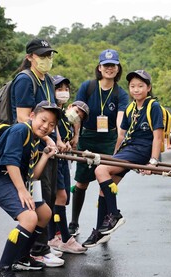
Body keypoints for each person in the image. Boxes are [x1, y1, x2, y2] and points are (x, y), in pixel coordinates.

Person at [0, 101, 62, 277]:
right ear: (32, 116)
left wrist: (45, 156)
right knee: (29, 217)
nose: (46, 127)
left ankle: (21, 258)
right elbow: (10, 162)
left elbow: (33, 174)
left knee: (44, 214)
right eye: (44, 120)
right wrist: (21, 190)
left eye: (52, 125)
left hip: (15, 179)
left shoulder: (34, 139)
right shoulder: (20, 130)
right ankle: (1, 271)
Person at [83, 69, 163, 248]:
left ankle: (114, 214)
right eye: (133, 86)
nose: (136, 89)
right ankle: (100, 230)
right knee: (105, 186)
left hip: (142, 150)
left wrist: (153, 161)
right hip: (128, 149)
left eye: (140, 86)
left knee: (100, 170)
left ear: (148, 88)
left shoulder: (153, 107)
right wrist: (114, 156)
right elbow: (121, 134)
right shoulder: (131, 108)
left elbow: (158, 136)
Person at [10, 37, 64, 267]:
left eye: (49, 55)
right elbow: (23, 118)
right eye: (42, 55)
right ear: (30, 57)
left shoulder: (48, 81)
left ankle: (38, 247)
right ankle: (37, 250)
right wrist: (47, 138)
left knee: (49, 196)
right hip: (32, 147)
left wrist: (59, 140)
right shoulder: (25, 80)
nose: (47, 60)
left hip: (46, 145)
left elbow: (53, 117)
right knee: (40, 197)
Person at [69, 49, 129, 238]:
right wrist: (75, 136)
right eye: (106, 65)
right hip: (88, 137)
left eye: (113, 66)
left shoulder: (120, 93)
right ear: (100, 67)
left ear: (118, 68)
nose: (110, 69)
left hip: (109, 139)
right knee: (82, 182)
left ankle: (102, 228)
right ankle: (74, 222)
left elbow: (121, 120)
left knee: (105, 183)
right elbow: (77, 114)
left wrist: (119, 142)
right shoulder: (88, 87)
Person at [47, 75, 89, 254]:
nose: (63, 92)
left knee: (60, 199)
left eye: (66, 89)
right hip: (51, 159)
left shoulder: (68, 120)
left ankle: (54, 236)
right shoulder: (51, 110)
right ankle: (64, 238)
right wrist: (57, 139)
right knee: (59, 197)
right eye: (59, 88)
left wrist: (76, 131)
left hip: (62, 161)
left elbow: (70, 139)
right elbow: (52, 127)